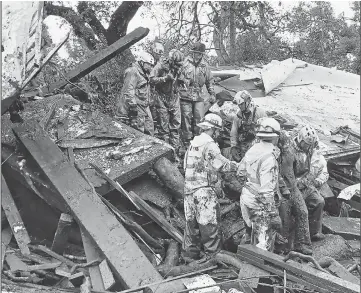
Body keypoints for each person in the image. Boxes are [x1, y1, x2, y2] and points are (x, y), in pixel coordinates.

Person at [182, 113, 237, 262]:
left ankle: (188, 257)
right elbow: (222, 165)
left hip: (188, 191)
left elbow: (184, 165)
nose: (219, 133)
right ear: (213, 129)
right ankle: (212, 260)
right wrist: (240, 166)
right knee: (209, 228)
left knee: (191, 228)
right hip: (203, 192)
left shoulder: (193, 144)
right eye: (218, 131)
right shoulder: (210, 145)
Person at [237, 117, 282, 252]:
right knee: (263, 243)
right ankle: (256, 271)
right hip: (259, 204)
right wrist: (274, 215)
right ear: (275, 138)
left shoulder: (253, 149)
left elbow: (240, 172)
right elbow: (267, 191)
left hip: (246, 197)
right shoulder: (269, 158)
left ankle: (242, 262)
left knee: (249, 233)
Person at [277, 131, 313, 255]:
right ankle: (282, 248)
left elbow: (297, 170)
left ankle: (302, 244)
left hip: (293, 187)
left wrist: (298, 182)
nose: (287, 146)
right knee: (285, 219)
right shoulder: (275, 154)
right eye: (285, 144)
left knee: (303, 212)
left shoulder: (291, 152)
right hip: (281, 190)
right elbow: (275, 174)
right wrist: (282, 188)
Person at [178, 42, 216, 149]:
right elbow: (177, 77)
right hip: (185, 95)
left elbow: (209, 81)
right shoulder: (184, 63)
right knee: (186, 117)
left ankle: (198, 140)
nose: (197, 55)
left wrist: (212, 93)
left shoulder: (205, 65)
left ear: (202, 54)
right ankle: (187, 141)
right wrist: (182, 80)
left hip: (199, 95)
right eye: (196, 53)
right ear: (192, 53)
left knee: (199, 117)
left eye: (199, 53)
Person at [293, 125, 325, 241]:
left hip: (306, 183)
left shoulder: (311, 149)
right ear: (300, 140)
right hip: (293, 185)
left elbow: (315, 167)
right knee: (301, 209)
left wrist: (311, 181)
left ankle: (314, 232)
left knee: (319, 201)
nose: (308, 147)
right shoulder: (291, 151)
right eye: (306, 144)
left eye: (310, 145)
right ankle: (299, 237)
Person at [149, 49, 184, 153]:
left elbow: (186, 79)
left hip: (174, 97)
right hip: (161, 97)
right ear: (171, 61)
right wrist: (165, 78)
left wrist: (182, 80)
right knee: (164, 128)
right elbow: (151, 79)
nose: (178, 66)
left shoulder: (180, 67)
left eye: (179, 65)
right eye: (176, 64)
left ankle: (176, 151)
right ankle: (166, 151)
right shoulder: (160, 65)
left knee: (176, 126)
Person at [116, 51, 155, 135]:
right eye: (149, 64)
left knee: (150, 128)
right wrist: (133, 107)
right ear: (142, 62)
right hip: (136, 105)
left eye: (151, 65)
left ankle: (150, 147)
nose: (150, 67)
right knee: (139, 130)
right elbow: (128, 90)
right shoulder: (133, 71)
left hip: (144, 105)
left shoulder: (145, 73)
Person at [225, 90, 267, 162]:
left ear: (248, 101)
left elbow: (267, 131)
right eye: (238, 105)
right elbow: (234, 133)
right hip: (243, 146)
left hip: (258, 146)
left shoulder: (260, 113)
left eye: (241, 104)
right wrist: (233, 147)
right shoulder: (238, 117)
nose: (239, 106)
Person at [149, 42, 165, 133]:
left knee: (157, 112)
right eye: (157, 53)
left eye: (160, 53)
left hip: (158, 91)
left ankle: (157, 130)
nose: (158, 55)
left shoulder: (162, 63)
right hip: (149, 90)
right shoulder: (149, 61)